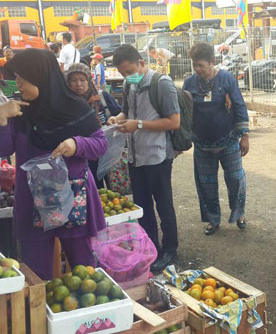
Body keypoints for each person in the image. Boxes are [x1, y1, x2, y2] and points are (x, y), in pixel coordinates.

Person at [0, 49, 107, 280]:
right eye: (15, 78)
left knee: (84, 271)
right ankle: (42, 314)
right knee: (36, 273)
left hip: (71, 197)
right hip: (32, 201)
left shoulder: (75, 107)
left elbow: (100, 145)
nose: (17, 84)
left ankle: (89, 316)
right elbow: (4, 149)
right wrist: (2, 118)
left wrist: (76, 144)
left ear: (40, 76)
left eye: (22, 78)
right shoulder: (17, 109)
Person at [109, 44, 180, 272]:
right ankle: (151, 247)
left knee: (164, 204)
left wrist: (137, 124)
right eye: (122, 74)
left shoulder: (161, 84)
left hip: (157, 156)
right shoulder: (129, 86)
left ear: (141, 63)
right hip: (135, 157)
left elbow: (173, 121)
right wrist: (117, 119)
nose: (127, 77)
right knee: (141, 206)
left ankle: (170, 248)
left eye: (130, 71)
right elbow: (126, 112)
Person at [183, 42, 249, 236]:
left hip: (228, 141)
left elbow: (239, 106)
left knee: (236, 179)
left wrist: (244, 135)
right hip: (202, 145)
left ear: (212, 62)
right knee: (206, 184)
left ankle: (239, 214)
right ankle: (213, 220)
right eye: (195, 64)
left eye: (201, 65)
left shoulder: (226, 79)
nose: (197, 69)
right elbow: (185, 113)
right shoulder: (189, 83)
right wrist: (183, 139)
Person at [65, 63, 121, 188]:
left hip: (106, 153)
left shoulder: (101, 97)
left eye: (82, 80)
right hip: (81, 156)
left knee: (112, 192)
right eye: (74, 80)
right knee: (92, 189)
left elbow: (120, 113)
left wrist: (114, 119)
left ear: (89, 81)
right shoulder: (65, 104)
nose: (78, 84)